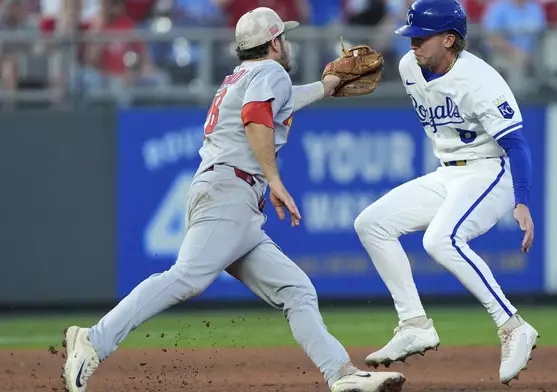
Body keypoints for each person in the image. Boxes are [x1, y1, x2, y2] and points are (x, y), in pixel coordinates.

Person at [61, 7, 406, 392]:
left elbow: (282, 99)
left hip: (232, 198)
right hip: (229, 192)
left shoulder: (244, 75)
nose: (286, 43)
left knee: (296, 290)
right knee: (186, 277)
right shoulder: (269, 72)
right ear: (275, 42)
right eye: (284, 37)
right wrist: (274, 179)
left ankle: (341, 374)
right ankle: (94, 340)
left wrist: (326, 85)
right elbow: (257, 115)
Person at [353, 0, 539, 385]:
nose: (413, 44)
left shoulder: (481, 81)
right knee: (371, 224)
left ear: (450, 39)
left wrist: (522, 201)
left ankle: (513, 325)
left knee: (440, 240)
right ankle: (414, 324)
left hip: (492, 171)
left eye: (422, 37)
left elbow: (517, 145)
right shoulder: (408, 67)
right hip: (448, 172)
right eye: (411, 36)